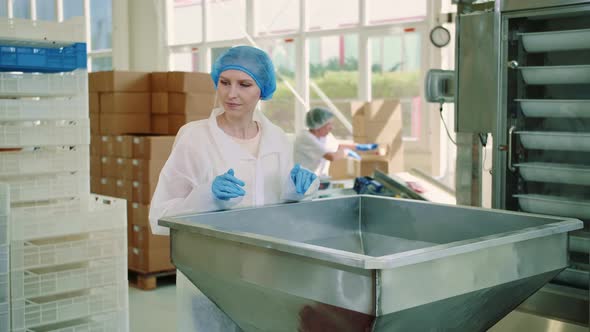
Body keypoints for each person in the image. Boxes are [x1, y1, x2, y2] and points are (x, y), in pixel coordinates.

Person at [148, 45, 319, 332]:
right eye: (224, 82)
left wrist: (297, 192)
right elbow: (159, 216)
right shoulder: (195, 138)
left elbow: (281, 213)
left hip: (267, 276)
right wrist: (207, 197)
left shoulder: (277, 139)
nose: (231, 94)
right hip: (210, 277)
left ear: (262, 89)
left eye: (244, 84)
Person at [294, 107, 378, 177]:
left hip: (318, 180)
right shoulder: (306, 138)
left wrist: (360, 147)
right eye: (329, 124)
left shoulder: (323, 136)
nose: (331, 128)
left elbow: (337, 146)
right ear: (318, 126)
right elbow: (331, 156)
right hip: (303, 181)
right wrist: (346, 152)